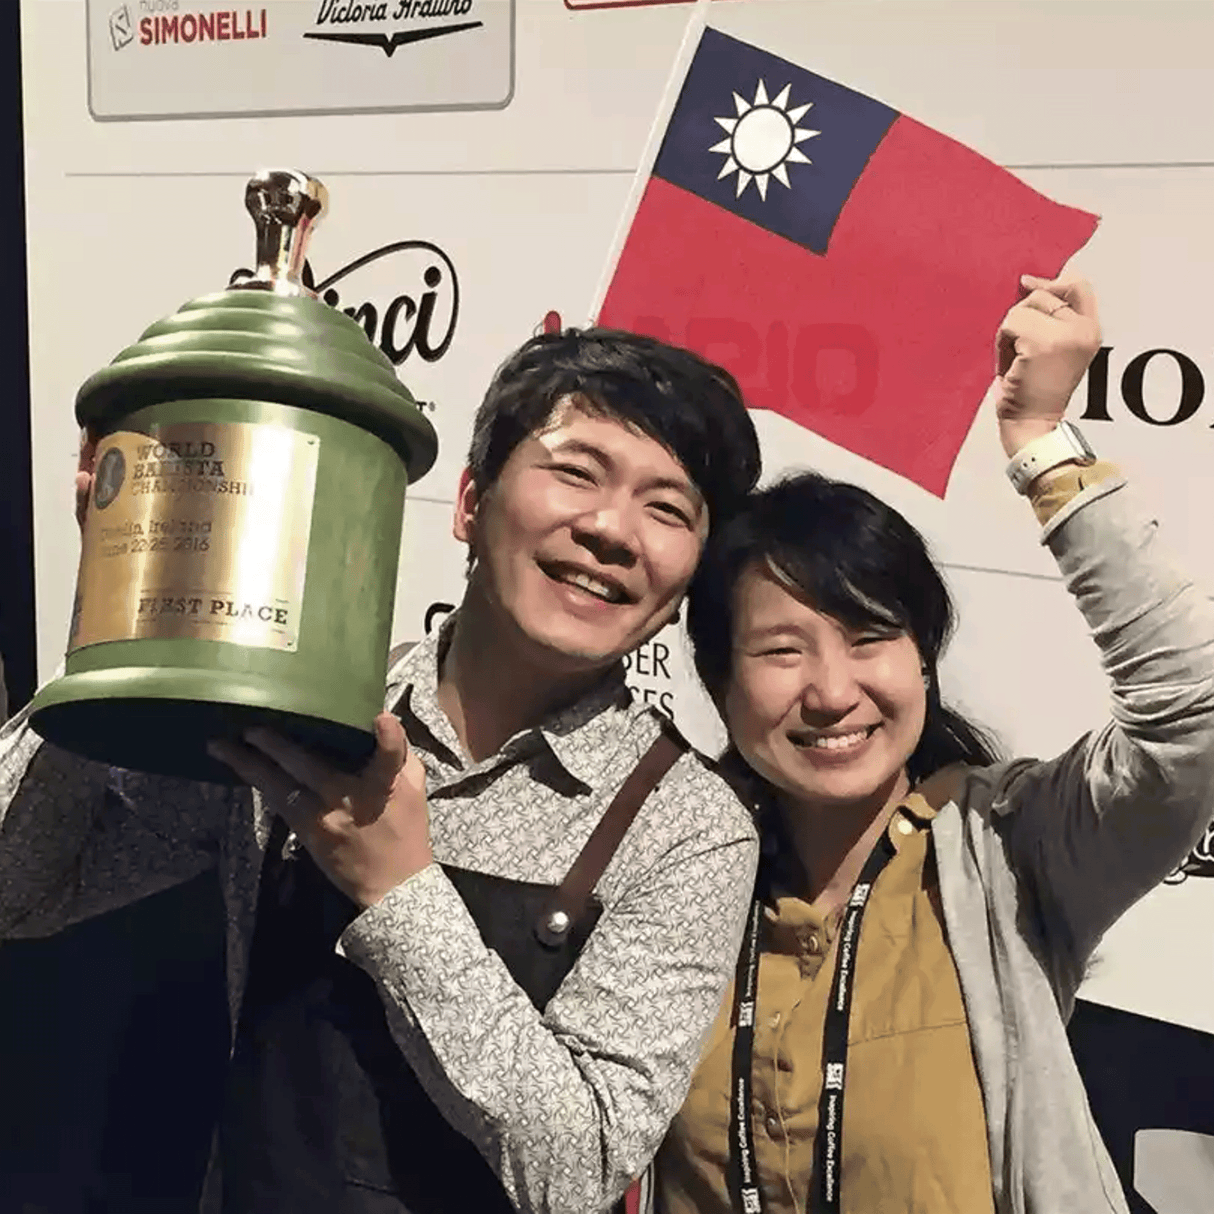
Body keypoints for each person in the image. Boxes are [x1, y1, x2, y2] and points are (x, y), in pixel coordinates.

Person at [0, 328, 763, 1214]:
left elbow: (579, 1168)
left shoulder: (690, 827)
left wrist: (399, 890)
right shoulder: (300, 711)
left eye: (667, 509)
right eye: (576, 472)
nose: (610, 530)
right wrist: (117, 612)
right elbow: (18, 890)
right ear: (470, 502)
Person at [654, 276, 1214, 1214]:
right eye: (782, 650)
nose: (833, 691)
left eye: (870, 637)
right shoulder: (671, 871)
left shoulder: (1010, 846)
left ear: (924, 657)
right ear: (719, 680)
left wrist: (1040, 440)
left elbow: (1193, 710)